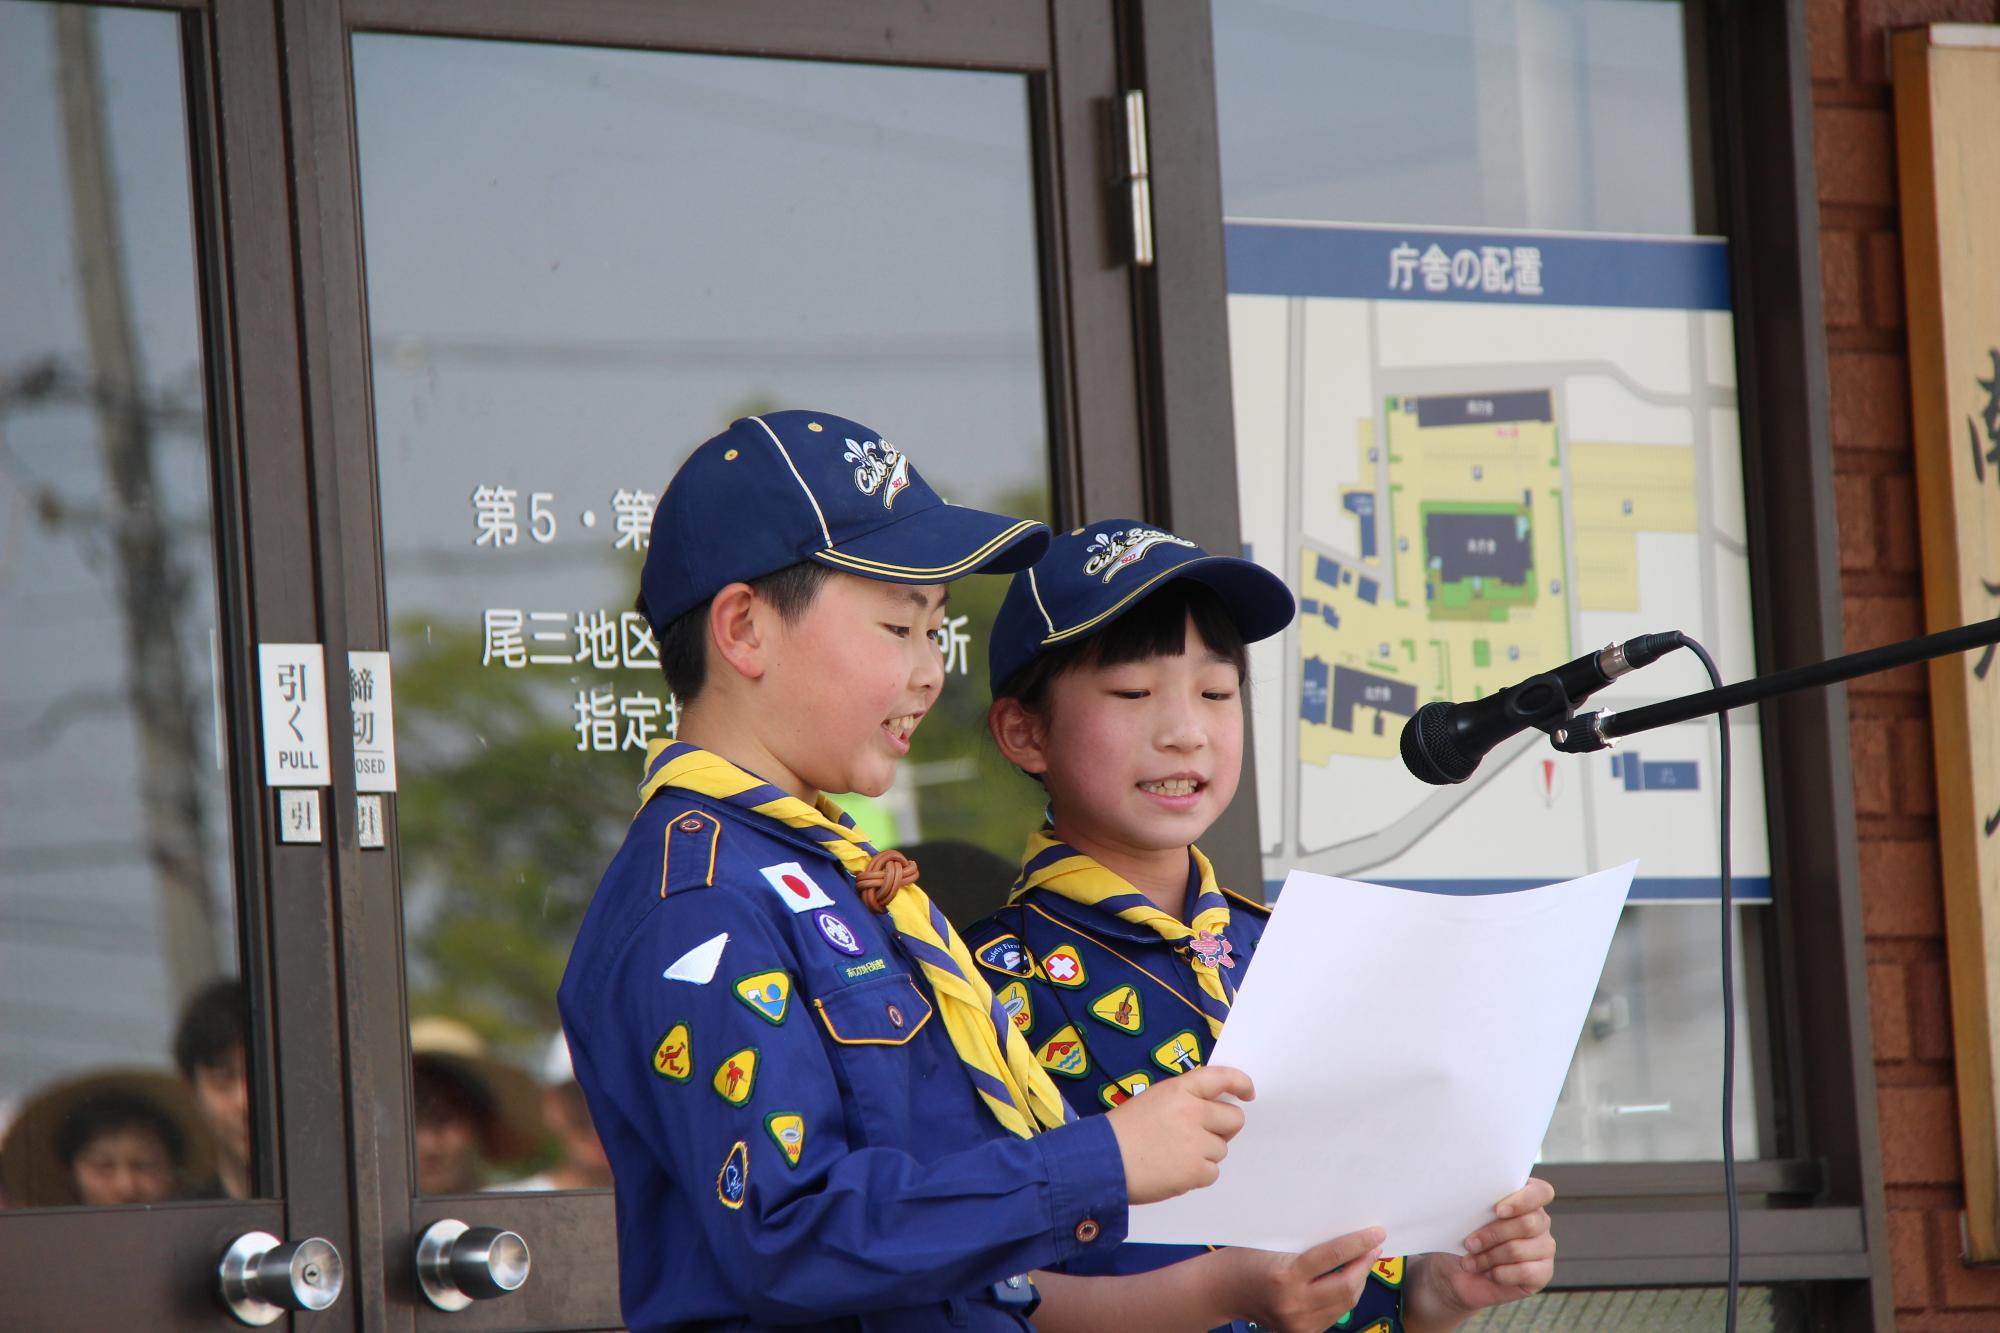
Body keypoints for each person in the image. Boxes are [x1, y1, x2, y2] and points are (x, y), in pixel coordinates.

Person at [559, 411, 1384, 1333]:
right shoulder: (700, 899)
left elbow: (976, 1271)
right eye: (898, 627)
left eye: (936, 632)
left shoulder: (841, 881)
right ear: (746, 628)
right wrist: (1101, 1160)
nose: (928, 674)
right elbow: (789, 1231)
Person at [969, 520, 1560, 1333]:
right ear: (1024, 731)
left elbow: (1376, 1275)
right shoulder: (978, 983)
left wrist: (1440, 1290)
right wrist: (1220, 1292)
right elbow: (973, 1292)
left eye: (1216, 693)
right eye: (1134, 693)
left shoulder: (1305, 951)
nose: (1186, 729)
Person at [489, 1032, 612, 1191]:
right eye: (578, 1094)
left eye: (617, 1096)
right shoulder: (495, 1209)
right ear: (552, 1105)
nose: (597, 1113)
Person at [173, 978, 251, 1199]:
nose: (243, 1101)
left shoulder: (345, 1211)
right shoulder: (181, 1224)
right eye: (222, 1080)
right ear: (193, 1092)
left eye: (259, 1080)